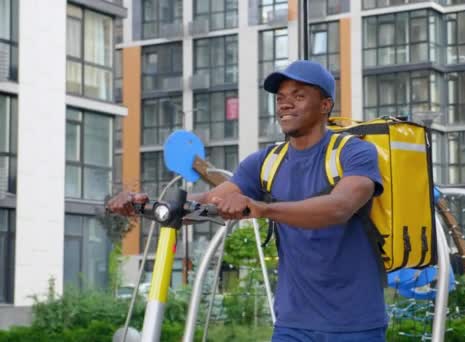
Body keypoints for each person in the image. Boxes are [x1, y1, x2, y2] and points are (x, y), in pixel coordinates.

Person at [107, 60, 388, 341]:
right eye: (280, 98)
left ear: (325, 105)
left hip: (355, 324)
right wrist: (146, 205)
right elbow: (207, 201)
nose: (285, 105)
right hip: (292, 325)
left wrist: (263, 208)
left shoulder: (354, 153)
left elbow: (339, 208)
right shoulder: (265, 162)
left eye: (299, 96)